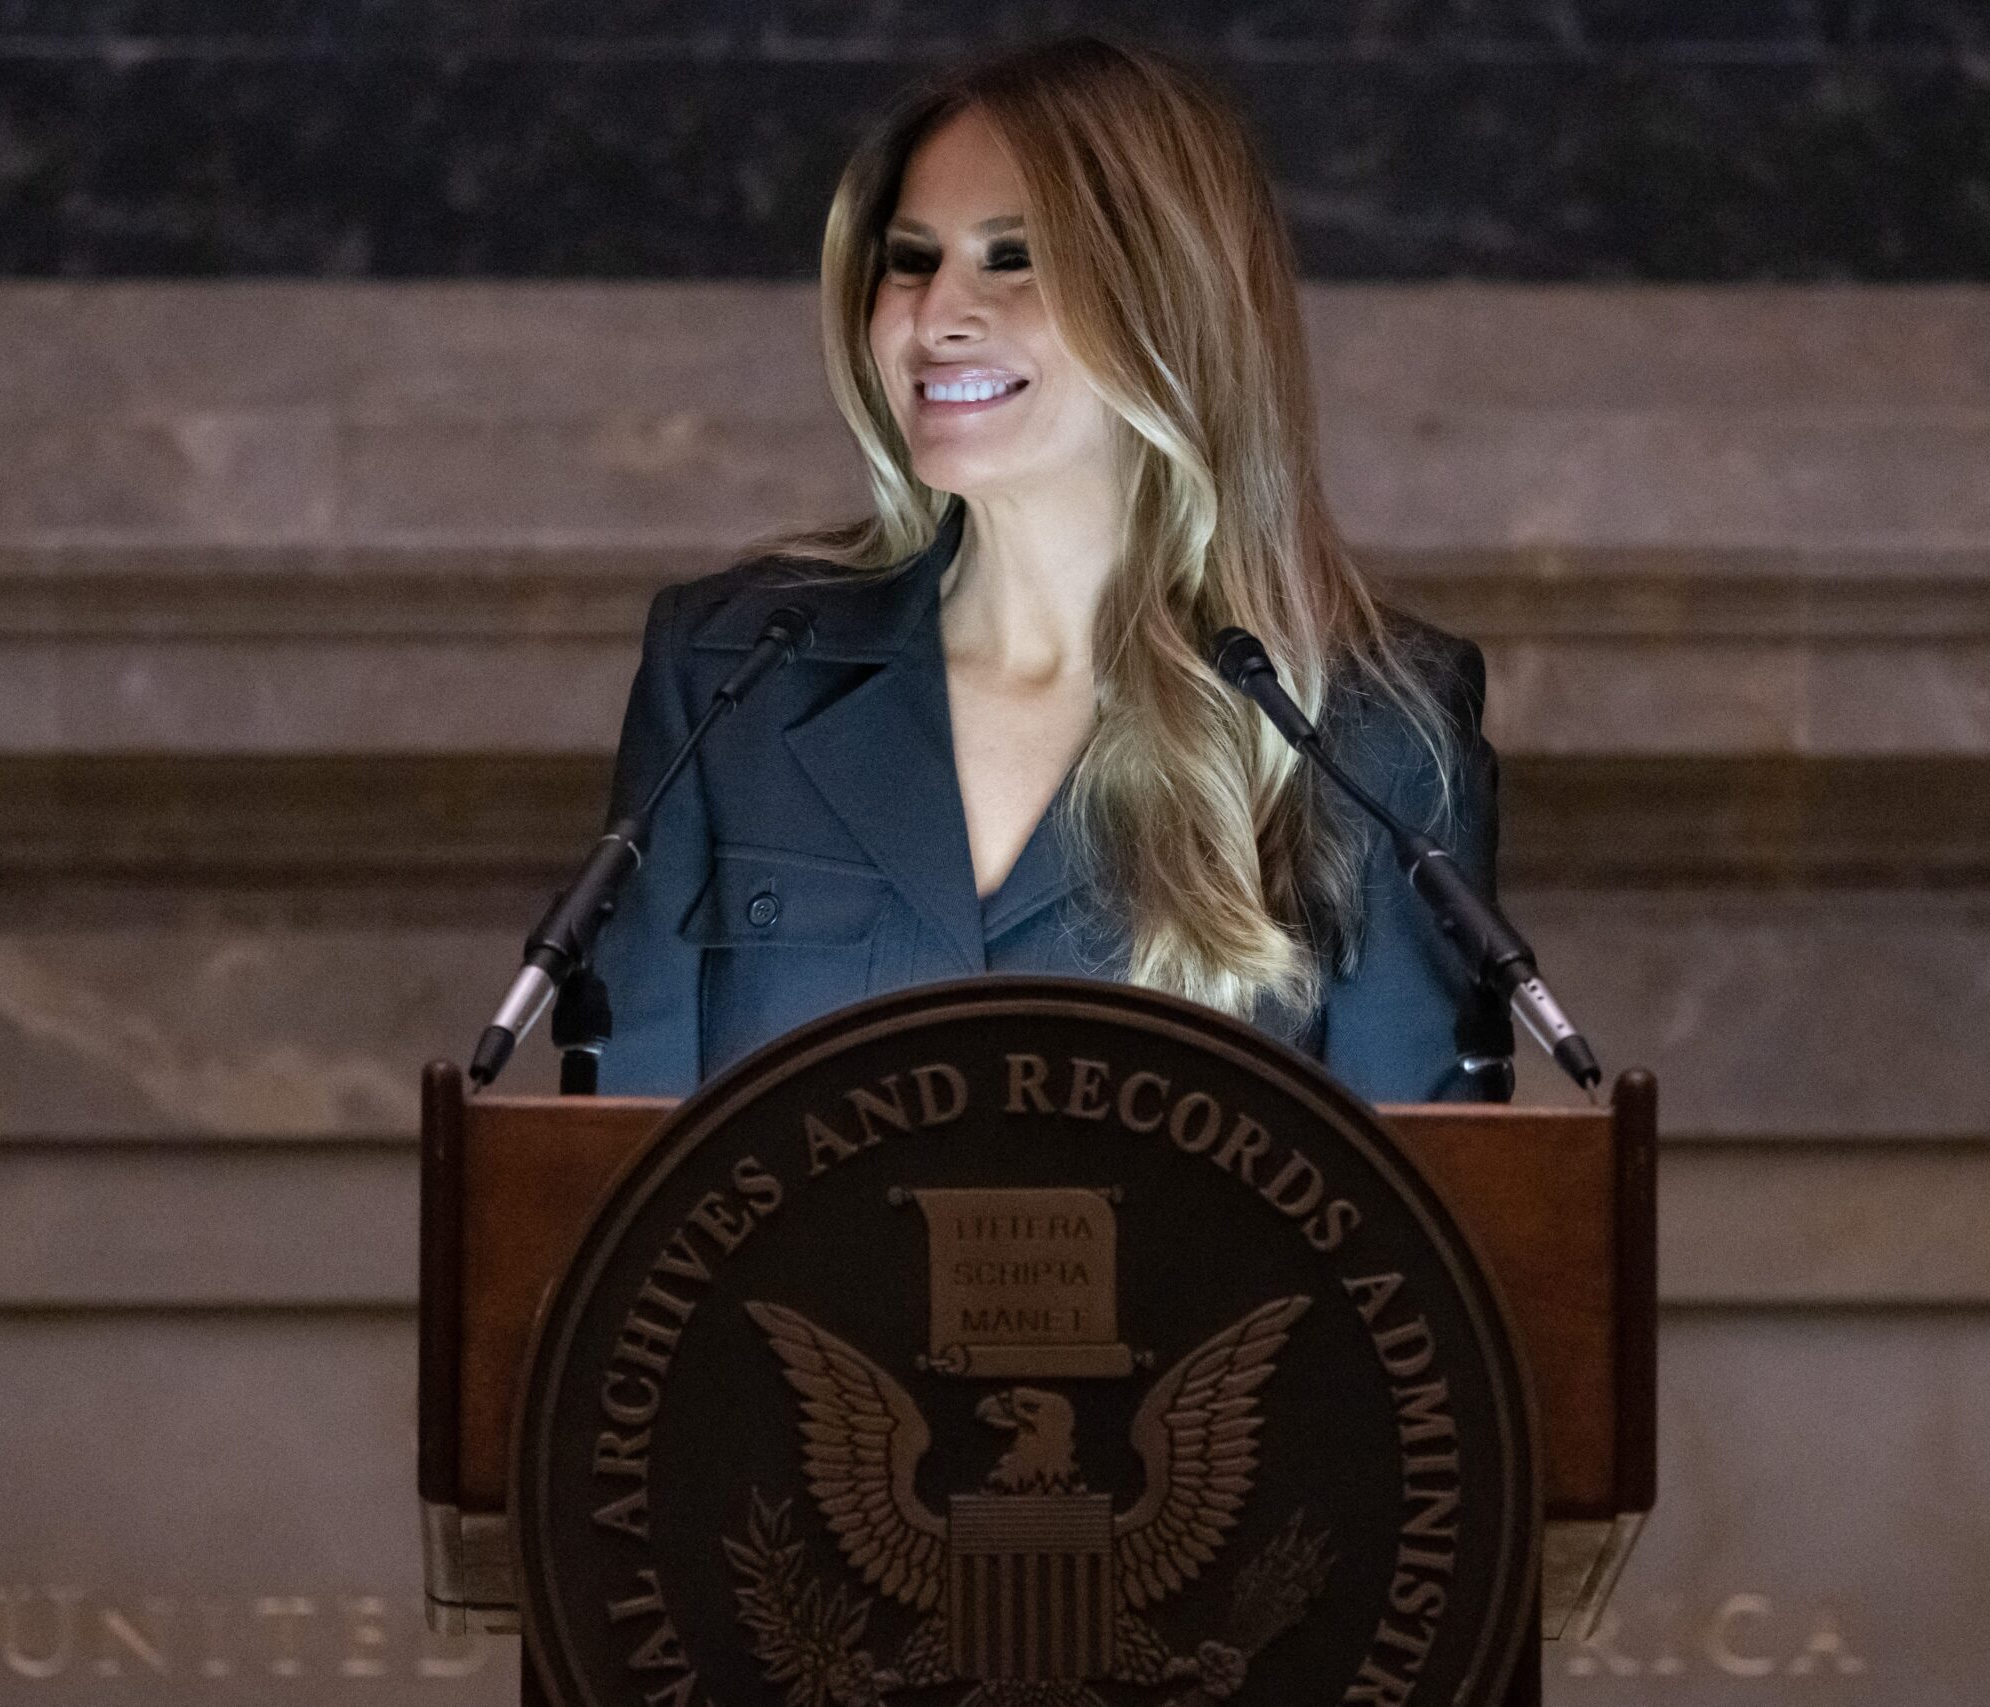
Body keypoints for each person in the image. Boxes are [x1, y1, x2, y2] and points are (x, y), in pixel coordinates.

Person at [588, 37, 1513, 1103]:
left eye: (1012, 257)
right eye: (912, 259)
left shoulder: (1371, 730)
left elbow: (1421, 1233)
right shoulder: (731, 672)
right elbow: (620, 1180)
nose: (937, 318)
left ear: (1171, 298)